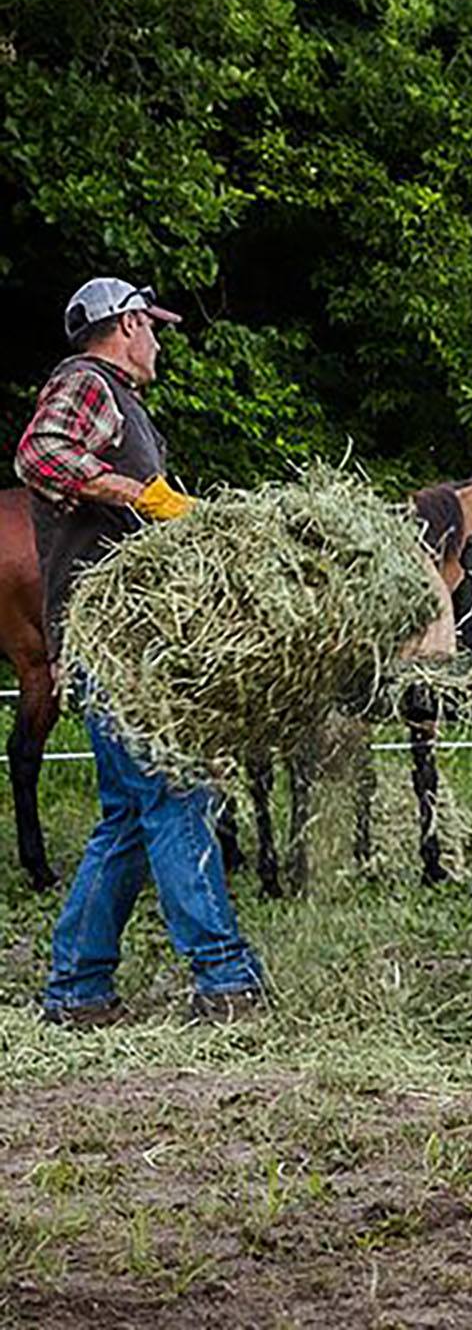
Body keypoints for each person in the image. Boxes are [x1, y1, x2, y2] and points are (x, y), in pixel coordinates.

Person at [17, 277, 266, 1027]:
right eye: (150, 327)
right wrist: (140, 493)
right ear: (124, 326)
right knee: (175, 793)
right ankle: (224, 979)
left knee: (128, 817)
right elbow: (41, 454)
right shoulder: (87, 383)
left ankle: (77, 990)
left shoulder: (119, 400)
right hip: (114, 644)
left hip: (117, 643)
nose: (157, 341)